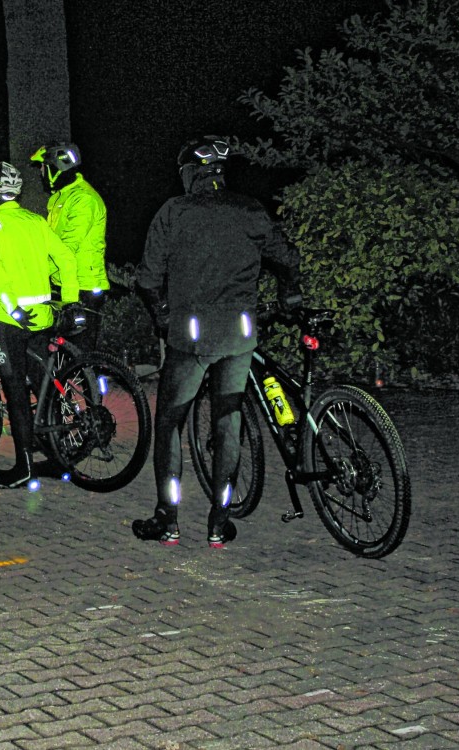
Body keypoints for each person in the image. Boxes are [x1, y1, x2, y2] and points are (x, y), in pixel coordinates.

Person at [132, 136, 301, 548]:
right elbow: (289, 259)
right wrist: (287, 296)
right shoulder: (249, 209)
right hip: (240, 333)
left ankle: (167, 519)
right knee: (229, 420)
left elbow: (147, 279)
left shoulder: (175, 211)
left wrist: (161, 315)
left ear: (190, 172)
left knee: (170, 422)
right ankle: (218, 523)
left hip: (190, 336)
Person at [0, 161, 79, 489]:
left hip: (12, 320)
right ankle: (57, 453)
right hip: (44, 316)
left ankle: (24, 467)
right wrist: (72, 299)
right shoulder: (36, 221)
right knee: (43, 386)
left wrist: (12, 309)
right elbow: (67, 259)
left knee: (16, 391)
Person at [31, 141, 109, 349]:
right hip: (64, 282)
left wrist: (36, 273)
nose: (41, 172)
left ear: (56, 168)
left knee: (82, 354)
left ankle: (94, 381)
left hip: (83, 286)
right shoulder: (61, 197)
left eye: (43, 167)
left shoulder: (83, 199)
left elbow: (67, 247)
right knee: (60, 352)